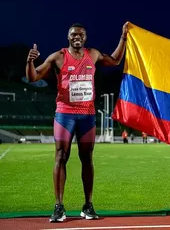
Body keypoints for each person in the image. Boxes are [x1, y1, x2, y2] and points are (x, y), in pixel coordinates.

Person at [26, 22, 129, 222]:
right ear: (68, 37)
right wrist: (29, 62)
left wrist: (123, 37)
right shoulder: (59, 57)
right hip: (65, 114)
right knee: (60, 156)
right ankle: (59, 207)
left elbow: (116, 60)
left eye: (80, 34)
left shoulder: (93, 55)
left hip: (87, 115)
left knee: (87, 159)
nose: (77, 37)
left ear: (85, 37)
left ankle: (88, 206)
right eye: (73, 34)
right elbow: (33, 76)